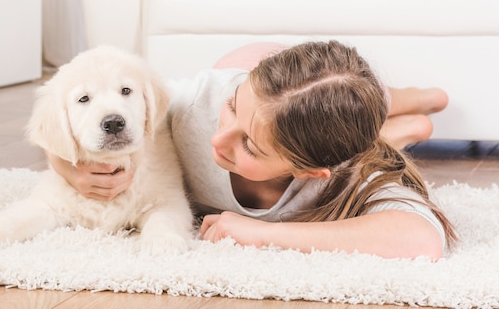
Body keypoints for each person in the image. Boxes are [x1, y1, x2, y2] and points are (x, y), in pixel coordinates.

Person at [47, 40, 456, 260]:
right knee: (281, 76)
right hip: (253, 61)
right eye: (232, 110)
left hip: (304, 119)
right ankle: (400, 111)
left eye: (249, 146)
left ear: (308, 172)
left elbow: (422, 240)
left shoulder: (345, 180)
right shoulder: (196, 103)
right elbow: (90, 110)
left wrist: (267, 233)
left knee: (362, 103)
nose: (216, 141)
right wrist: (65, 166)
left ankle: (403, 104)